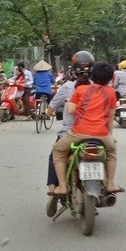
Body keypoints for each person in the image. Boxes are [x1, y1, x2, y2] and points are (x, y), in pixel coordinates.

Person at [51, 60, 123, 195]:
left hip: (78, 133)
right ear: (109, 79)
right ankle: (111, 183)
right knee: (112, 152)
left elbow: (71, 110)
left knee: (58, 151)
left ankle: (62, 186)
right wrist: (109, 137)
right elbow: (110, 117)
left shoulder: (80, 89)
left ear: (92, 75)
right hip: (102, 135)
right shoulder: (111, 92)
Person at [44, 60, 92, 217]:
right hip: (95, 134)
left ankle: (53, 191)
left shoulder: (68, 87)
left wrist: (50, 113)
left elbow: (51, 109)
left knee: (55, 155)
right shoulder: (99, 88)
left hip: (70, 133)